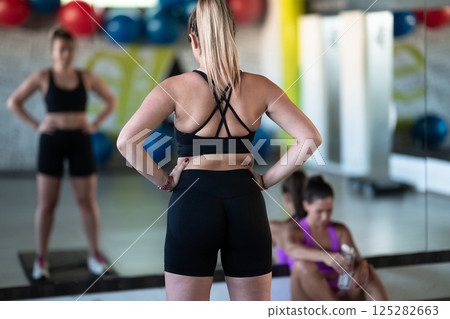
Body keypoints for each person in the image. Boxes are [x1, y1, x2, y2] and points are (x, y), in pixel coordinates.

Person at [117, 0, 321, 301]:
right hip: (245, 201)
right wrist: (266, 180)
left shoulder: (175, 87)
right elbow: (310, 139)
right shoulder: (261, 87)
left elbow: (126, 142)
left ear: (193, 40)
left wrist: (165, 180)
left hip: (191, 200)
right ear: (233, 35)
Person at [7, 26, 117, 280]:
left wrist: (96, 124)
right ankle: (41, 259)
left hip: (80, 140)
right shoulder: (43, 76)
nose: (66, 54)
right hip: (52, 142)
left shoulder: (86, 76)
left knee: (87, 203)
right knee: (47, 204)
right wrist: (37, 125)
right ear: (53, 51)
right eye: (61, 50)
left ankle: (94, 256)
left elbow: (111, 100)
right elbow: (14, 102)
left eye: (70, 49)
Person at [274, 175, 388, 301]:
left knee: (367, 270)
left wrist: (362, 265)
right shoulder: (294, 230)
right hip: (309, 295)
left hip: (340, 290)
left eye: (329, 210)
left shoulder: (340, 230)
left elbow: (357, 258)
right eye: (319, 211)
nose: (325, 217)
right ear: (306, 205)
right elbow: (291, 250)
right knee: (302, 265)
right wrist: (327, 257)